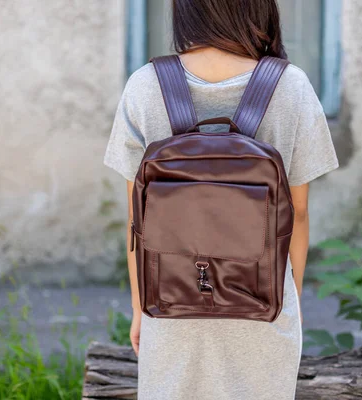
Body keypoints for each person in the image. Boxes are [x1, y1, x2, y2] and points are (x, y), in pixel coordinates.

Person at [103, 1, 338, 398]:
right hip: (262, 308)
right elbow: (297, 215)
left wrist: (140, 306)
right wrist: (286, 302)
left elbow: (136, 221)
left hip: (169, 304)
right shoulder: (291, 86)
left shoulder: (145, 85)